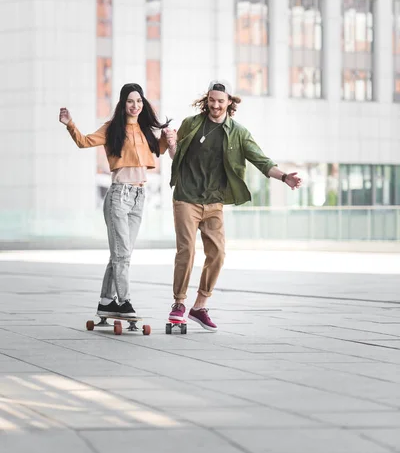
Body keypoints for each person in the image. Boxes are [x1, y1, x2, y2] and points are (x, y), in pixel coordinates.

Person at [164, 80, 302, 332]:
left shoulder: (238, 133)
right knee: (187, 251)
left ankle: (199, 306)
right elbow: (176, 157)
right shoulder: (191, 124)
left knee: (217, 254)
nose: (215, 105)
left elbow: (261, 160)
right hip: (186, 197)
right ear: (207, 100)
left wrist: (284, 177)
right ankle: (179, 304)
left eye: (220, 101)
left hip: (215, 201)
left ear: (229, 102)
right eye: (212, 100)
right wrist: (172, 143)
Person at [59, 83, 176, 319]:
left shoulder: (144, 130)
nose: (135, 106)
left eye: (139, 101)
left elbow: (157, 151)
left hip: (139, 197)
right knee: (122, 254)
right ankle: (124, 302)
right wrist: (70, 124)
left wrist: (168, 137)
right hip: (119, 196)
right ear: (123, 104)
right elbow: (84, 141)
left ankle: (105, 301)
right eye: (131, 101)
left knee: (121, 253)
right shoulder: (112, 129)